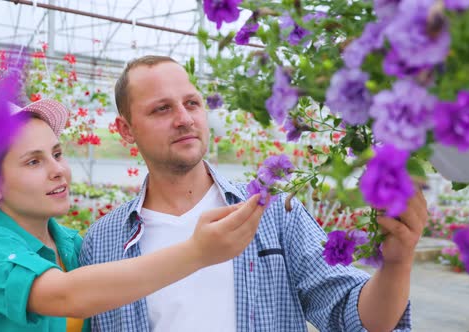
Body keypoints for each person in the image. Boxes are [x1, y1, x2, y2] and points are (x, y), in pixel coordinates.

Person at [79, 55, 428, 332]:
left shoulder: (271, 210)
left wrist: (397, 264)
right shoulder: (103, 242)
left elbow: (350, 315)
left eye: (192, 103)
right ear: (125, 129)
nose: (184, 118)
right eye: (162, 108)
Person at [0, 98, 267, 332]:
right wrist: (197, 252)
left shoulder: (73, 245)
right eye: (33, 162)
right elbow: (67, 295)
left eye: (57, 154)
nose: (59, 170)